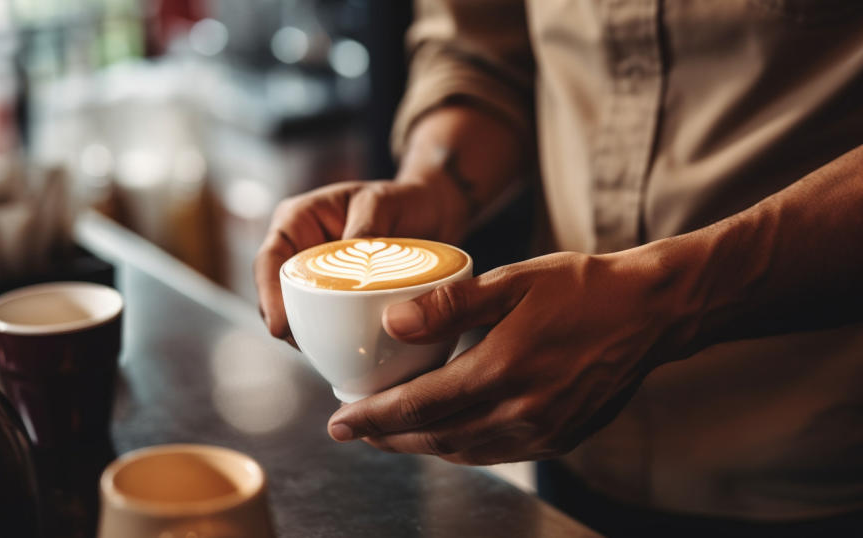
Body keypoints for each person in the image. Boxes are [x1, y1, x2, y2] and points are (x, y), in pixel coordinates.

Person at [255, 1, 863, 535]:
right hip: (567, 454)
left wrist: (672, 297)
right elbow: (481, 53)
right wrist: (432, 188)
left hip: (817, 464)